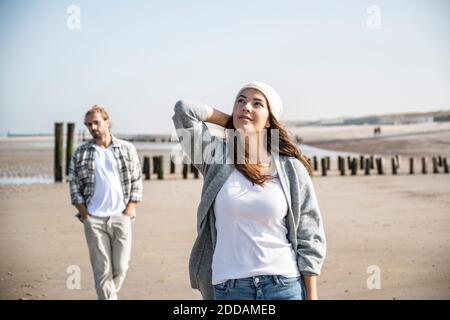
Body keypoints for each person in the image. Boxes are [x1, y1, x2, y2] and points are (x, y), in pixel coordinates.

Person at [172, 81, 326, 300]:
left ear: (270, 121)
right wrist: (232, 122)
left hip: (283, 284)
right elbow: (184, 110)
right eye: (241, 101)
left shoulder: (290, 168)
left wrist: (312, 295)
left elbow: (309, 232)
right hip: (229, 287)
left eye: (257, 104)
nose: (247, 107)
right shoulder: (216, 157)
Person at [68, 105, 143, 300]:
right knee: (102, 270)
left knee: (121, 267)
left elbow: (136, 181)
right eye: (88, 124)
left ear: (107, 122)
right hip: (94, 219)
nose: (92, 127)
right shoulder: (81, 153)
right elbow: (74, 185)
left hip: (121, 216)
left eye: (96, 122)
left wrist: (129, 211)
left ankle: (108, 296)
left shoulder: (127, 148)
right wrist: (85, 215)